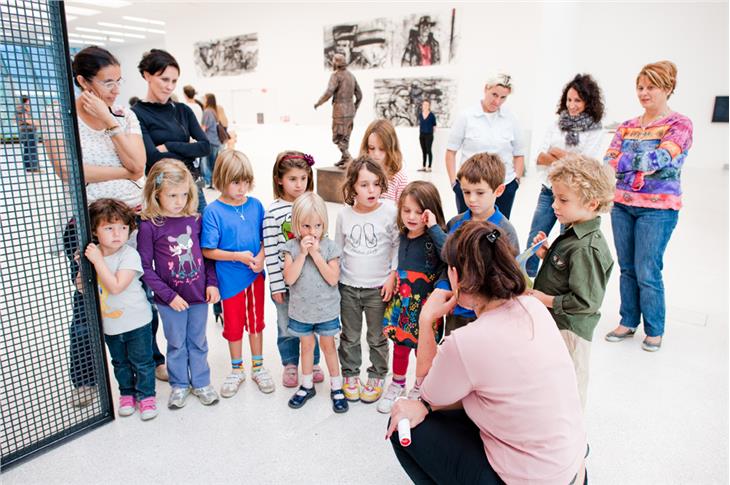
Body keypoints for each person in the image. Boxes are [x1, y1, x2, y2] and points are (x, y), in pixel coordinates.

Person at [388, 221, 587, 485]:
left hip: (524, 479)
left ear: (456, 276)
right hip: (572, 469)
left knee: (405, 422)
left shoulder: (466, 342)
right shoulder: (533, 307)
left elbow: (426, 396)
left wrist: (426, 320)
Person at [45, 45, 155, 407]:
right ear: (82, 82)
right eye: (107, 82)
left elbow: (139, 165)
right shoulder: (57, 115)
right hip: (88, 223)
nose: (115, 90)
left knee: (141, 294)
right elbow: (70, 171)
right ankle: (86, 378)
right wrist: (124, 169)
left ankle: (150, 363)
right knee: (88, 299)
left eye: (118, 81)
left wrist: (110, 122)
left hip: (132, 219)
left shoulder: (123, 115)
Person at [603, 61, 693, 352]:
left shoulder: (680, 124)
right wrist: (633, 164)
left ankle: (654, 328)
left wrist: (626, 164)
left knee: (647, 269)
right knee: (627, 267)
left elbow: (660, 160)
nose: (644, 93)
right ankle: (628, 321)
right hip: (622, 206)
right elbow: (608, 161)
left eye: (651, 87)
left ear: (667, 89)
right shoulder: (628, 126)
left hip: (658, 210)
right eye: (640, 87)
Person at [530, 155, 615, 409]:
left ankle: (571, 436)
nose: (555, 205)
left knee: (570, 383)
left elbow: (586, 301)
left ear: (591, 203)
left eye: (563, 200)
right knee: (553, 379)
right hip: (557, 324)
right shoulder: (572, 231)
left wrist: (543, 299)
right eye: (555, 197)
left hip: (571, 330)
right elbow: (567, 272)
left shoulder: (586, 248)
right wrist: (546, 255)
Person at [137, 159, 221, 409]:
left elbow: (206, 256)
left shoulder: (195, 220)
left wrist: (212, 284)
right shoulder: (149, 225)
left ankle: (202, 382)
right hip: (168, 301)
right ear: (156, 193)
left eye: (184, 194)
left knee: (198, 341)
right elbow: (144, 268)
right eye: (172, 195)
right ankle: (180, 384)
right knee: (176, 343)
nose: (179, 201)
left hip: (198, 297)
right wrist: (168, 295)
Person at [201, 150, 275, 396]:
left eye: (245, 181)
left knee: (256, 322)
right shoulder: (213, 211)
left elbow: (266, 239)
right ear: (221, 178)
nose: (242, 187)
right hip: (230, 279)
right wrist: (237, 256)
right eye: (235, 182)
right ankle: (236, 369)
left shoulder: (256, 205)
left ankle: (258, 366)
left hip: (255, 276)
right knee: (233, 325)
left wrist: (261, 258)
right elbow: (208, 250)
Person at [524, 74, 605, 277]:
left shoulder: (595, 130)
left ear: (588, 101)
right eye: (569, 99)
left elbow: (586, 166)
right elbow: (540, 157)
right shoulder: (556, 125)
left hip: (574, 196)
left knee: (566, 241)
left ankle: (558, 283)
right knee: (535, 236)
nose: (572, 105)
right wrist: (569, 158)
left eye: (577, 100)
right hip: (548, 189)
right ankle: (524, 278)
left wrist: (557, 153)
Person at [84, 199, 157, 421]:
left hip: (137, 321)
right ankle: (127, 394)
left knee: (142, 362)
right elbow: (81, 288)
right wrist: (83, 265)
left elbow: (116, 287)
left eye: (123, 227)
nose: (118, 233)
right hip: (110, 324)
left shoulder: (129, 255)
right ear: (95, 231)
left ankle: (146, 396)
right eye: (109, 228)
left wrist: (97, 262)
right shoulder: (93, 254)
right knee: (120, 363)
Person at [433, 153, 520, 337]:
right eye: (466, 192)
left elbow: (511, 274)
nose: (472, 199)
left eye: (480, 192)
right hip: (455, 312)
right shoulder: (455, 223)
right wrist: (443, 289)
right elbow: (445, 264)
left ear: (499, 190)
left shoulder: (506, 230)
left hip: (489, 314)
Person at [378, 181, 446, 414]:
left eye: (419, 211)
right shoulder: (402, 236)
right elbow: (394, 262)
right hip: (403, 301)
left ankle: (420, 387)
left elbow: (449, 253)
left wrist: (435, 227)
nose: (412, 216)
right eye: (406, 210)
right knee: (400, 345)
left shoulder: (434, 237)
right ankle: (397, 383)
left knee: (423, 349)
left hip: (425, 304)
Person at [335, 156, 399, 404]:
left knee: (376, 336)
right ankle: (350, 374)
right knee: (350, 335)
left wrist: (392, 276)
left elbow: (396, 246)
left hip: (378, 288)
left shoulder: (390, 211)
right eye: (364, 185)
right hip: (348, 287)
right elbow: (338, 250)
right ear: (352, 187)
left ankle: (377, 374)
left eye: (375, 183)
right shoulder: (344, 215)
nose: (371, 190)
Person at [263, 151, 324, 388]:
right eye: (292, 179)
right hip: (285, 282)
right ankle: (289, 363)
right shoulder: (273, 212)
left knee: (311, 322)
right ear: (279, 180)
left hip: (309, 280)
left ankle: (314, 361)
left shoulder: (313, 205)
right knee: (285, 323)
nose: (299, 184)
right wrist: (276, 285)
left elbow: (322, 240)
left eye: (303, 178)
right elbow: (269, 250)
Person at [283, 193, 348, 413]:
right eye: (306, 226)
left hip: (327, 310)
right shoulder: (291, 248)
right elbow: (289, 279)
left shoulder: (329, 248)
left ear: (324, 224)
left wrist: (316, 254)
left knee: (329, 347)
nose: (312, 232)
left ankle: (336, 387)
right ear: (296, 224)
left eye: (318, 225)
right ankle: (307, 384)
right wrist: (302, 254)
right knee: (306, 346)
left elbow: (332, 278)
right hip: (301, 312)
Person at [131, 49, 210, 214]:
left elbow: (204, 147)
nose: (170, 87)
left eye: (174, 81)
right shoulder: (136, 113)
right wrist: (188, 149)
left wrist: (168, 146)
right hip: (162, 189)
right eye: (164, 79)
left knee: (202, 233)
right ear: (147, 76)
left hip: (192, 185)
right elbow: (152, 157)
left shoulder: (183, 110)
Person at [446, 73, 525, 217]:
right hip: (471, 186)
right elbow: (450, 152)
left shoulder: (511, 119)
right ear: (486, 89)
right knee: (467, 229)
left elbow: (519, 154)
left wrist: (515, 183)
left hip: (503, 187)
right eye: (494, 94)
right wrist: (454, 183)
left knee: (498, 230)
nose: (497, 101)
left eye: (503, 97)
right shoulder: (466, 116)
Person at [314, 53, 362, 167]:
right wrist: (355, 107)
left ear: (336, 62)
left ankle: (348, 158)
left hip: (340, 111)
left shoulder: (335, 76)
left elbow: (329, 92)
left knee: (337, 137)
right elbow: (359, 95)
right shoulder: (351, 76)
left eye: (333, 61)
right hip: (350, 111)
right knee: (346, 136)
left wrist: (318, 103)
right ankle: (344, 158)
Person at [359, 119, 408, 202]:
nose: (376, 154)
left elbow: (402, 211)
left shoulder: (399, 179)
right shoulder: (359, 173)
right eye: (372, 148)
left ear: (391, 148)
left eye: (382, 149)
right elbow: (349, 204)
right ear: (366, 147)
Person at [200, 93, 222, 188]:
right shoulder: (214, 111)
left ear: (208, 100)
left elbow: (204, 127)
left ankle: (210, 183)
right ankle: (214, 183)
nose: (203, 100)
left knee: (207, 165)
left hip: (210, 141)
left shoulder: (207, 111)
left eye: (204, 99)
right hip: (216, 141)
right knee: (214, 164)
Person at [16, 96, 40, 173]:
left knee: (26, 149)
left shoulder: (18, 108)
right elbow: (26, 119)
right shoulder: (24, 108)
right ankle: (34, 168)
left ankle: (29, 168)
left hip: (22, 130)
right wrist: (37, 123)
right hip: (29, 130)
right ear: (27, 100)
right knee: (32, 149)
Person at [417, 100, 437, 172]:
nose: (425, 106)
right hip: (422, 135)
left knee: (429, 150)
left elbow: (434, 126)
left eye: (427, 105)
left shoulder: (431, 115)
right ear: (422, 106)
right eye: (424, 105)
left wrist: (431, 134)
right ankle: (423, 166)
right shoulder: (420, 115)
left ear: (429, 106)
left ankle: (429, 167)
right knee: (424, 151)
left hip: (429, 135)